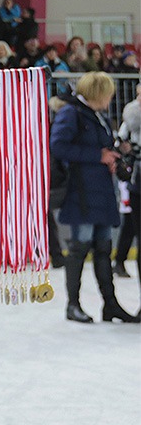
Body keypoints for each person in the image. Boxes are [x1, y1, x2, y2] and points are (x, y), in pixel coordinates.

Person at [50, 72, 139, 324]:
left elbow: (98, 146)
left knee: (103, 249)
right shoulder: (71, 113)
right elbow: (58, 146)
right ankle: (73, 305)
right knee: (78, 249)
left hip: (100, 190)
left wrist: (114, 153)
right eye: (108, 93)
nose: (111, 98)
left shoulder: (97, 114)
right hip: (82, 193)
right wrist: (97, 155)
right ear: (98, 93)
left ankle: (110, 304)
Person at [113, 83, 140, 280]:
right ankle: (120, 260)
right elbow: (120, 142)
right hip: (134, 177)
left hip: (134, 176)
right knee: (131, 222)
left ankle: (120, 260)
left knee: (131, 222)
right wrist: (128, 150)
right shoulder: (131, 116)